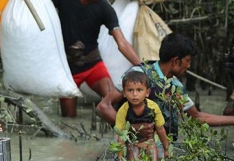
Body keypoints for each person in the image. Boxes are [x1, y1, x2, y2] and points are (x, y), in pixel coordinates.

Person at [18, 0, 142, 117]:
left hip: (93, 65)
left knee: (112, 100)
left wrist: (141, 65)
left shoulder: (104, 7)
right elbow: (37, 4)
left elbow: (122, 42)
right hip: (67, 69)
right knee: (69, 117)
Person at [97, 32, 234, 138]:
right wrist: (132, 130)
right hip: (134, 148)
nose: (189, 66)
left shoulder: (175, 86)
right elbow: (103, 107)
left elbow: (197, 117)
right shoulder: (139, 74)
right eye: (188, 60)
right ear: (175, 61)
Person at [114, 71, 169, 161]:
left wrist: (166, 149)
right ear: (124, 93)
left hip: (149, 142)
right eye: (130, 90)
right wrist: (120, 157)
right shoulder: (123, 110)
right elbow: (121, 136)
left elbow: (160, 130)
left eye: (139, 90)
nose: (135, 94)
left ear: (147, 92)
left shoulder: (153, 107)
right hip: (133, 143)